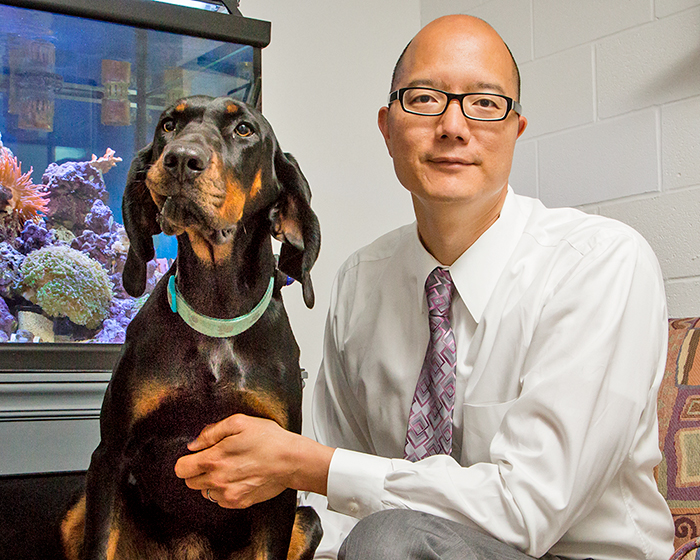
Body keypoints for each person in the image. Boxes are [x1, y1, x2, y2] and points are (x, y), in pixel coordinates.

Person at [175, 14, 675, 560]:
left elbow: (529, 510)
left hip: (573, 555)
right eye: (425, 98)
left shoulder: (600, 264)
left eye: (485, 104)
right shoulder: (362, 281)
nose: (454, 126)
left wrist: (302, 463)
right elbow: (342, 510)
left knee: (391, 537)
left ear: (516, 131)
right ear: (387, 127)